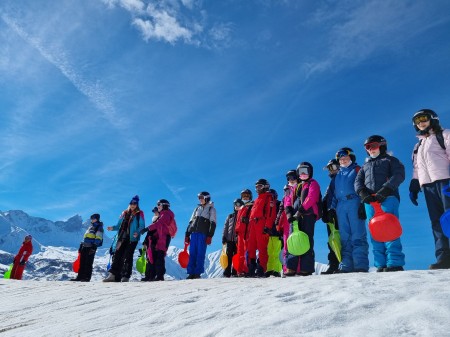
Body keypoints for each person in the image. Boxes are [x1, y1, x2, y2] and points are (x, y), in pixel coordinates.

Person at [355, 135, 406, 272]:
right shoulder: (365, 166)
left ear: (382, 145)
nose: (371, 149)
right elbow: (358, 182)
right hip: (370, 202)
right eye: (368, 147)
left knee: (390, 229)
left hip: (387, 198)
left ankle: (394, 262)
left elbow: (399, 175)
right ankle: (380, 263)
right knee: (375, 231)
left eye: (374, 146)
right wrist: (362, 193)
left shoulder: (390, 160)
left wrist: (387, 189)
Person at [409, 109, 450, 269]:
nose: (421, 123)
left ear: (433, 119)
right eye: (417, 121)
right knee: (437, 221)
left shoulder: (444, 135)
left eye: (423, 119)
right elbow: (417, 167)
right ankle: (444, 257)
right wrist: (414, 184)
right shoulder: (418, 145)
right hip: (428, 186)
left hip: (445, 181)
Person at [331, 149, 369, 273]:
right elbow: (334, 193)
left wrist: (363, 203)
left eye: (345, 158)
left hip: (354, 202)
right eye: (340, 159)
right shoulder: (338, 175)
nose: (343, 160)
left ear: (351, 157)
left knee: (357, 234)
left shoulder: (357, 169)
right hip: (341, 205)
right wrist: (332, 208)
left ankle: (360, 265)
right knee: (345, 236)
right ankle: (346, 265)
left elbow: (363, 186)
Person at [285, 162, 321, 276]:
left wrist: (300, 210)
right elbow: (288, 200)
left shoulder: (313, 183)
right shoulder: (297, 187)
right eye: (301, 171)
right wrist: (289, 214)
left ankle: (306, 268)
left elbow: (312, 197)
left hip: (307, 215)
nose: (303, 174)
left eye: (306, 171)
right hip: (295, 217)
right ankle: (291, 267)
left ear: (310, 172)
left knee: (306, 239)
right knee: (293, 240)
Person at [104, 195, 145, 282]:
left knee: (128, 256)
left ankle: (126, 275)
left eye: (135, 203)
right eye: (131, 203)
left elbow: (142, 226)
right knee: (117, 255)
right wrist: (112, 228)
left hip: (132, 238)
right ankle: (114, 275)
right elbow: (118, 226)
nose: (133, 205)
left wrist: (137, 232)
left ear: (137, 204)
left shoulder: (139, 213)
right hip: (121, 237)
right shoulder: (124, 213)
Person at [247, 179, 276, 277]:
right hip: (253, 224)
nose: (257, 188)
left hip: (261, 223)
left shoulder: (269, 197)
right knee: (251, 246)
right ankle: (251, 267)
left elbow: (271, 213)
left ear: (265, 186)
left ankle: (261, 268)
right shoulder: (257, 199)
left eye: (259, 186)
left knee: (261, 247)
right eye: (256, 187)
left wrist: (267, 226)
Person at [140, 199, 174, 281]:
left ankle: (159, 276)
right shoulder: (163, 214)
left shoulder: (166, 214)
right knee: (154, 257)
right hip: (160, 238)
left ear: (163, 205)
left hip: (163, 238)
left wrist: (147, 228)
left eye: (159, 205)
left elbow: (158, 224)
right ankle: (152, 275)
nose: (158, 206)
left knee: (159, 256)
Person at [185, 191, 217, 279]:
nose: (200, 199)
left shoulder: (211, 209)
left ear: (207, 198)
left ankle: (197, 273)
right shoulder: (197, 209)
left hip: (203, 234)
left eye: (202, 198)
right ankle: (191, 272)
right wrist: (187, 235)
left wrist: (210, 236)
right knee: (192, 253)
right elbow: (191, 222)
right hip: (194, 234)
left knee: (200, 253)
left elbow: (213, 223)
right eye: (199, 198)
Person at [321, 158, 341, 274]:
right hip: (330, 215)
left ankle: (341, 263)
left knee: (340, 239)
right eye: (329, 168)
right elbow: (326, 198)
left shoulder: (340, 179)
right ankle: (333, 264)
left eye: (333, 167)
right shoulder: (332, 182)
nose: (331, 171)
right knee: (331, 240)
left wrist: (334, 210)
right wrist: (324, 211)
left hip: (338, 213)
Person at [71, 214, 104, 282]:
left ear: (97, 219)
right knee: (82, 262)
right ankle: (80, 277)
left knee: (88, 262)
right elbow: (86, 237)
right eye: (91, 218)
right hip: (85, 246)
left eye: (94, 218)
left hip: (91, 247)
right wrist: (81, 245)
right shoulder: (90, 227)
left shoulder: (99, 227)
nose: (92, 219)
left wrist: (94, 246)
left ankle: (86, 277)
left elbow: (98, 237)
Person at [234, 189, 254, 276]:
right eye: (243, 196)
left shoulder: (251, 205)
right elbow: (238, 220)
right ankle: (240, 270)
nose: (245, 197)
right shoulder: (240, 207)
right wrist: (236, 232)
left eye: (247, 196)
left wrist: (248, 220)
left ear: (250, 196)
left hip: (247, 231)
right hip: (240, 232)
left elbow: (253, 216)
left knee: (247, 251)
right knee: (240, 252)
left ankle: (247, 270)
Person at [221, 199, 242, 277]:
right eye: (236, 205)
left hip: (237, 241)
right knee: (228, 256)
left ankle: (235, 271)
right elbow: (225, 227)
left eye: (239, 205)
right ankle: (227, 272)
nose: (237, 207)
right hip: (229, 240)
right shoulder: (230, 216)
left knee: (236, 256)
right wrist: (224, 236)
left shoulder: (241, 215)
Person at [266, 188, 282, 277]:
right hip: (268, 233)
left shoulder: (279, 204)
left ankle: (277, 270)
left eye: (272, 196)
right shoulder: (266, 206)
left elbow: (281, 217)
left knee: (276, 252)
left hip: (276, 233)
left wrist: (281, 230)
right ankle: (269, 269)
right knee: (269, 252)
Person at [140, 206, 159, 281]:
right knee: (149, 259)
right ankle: (148, 275)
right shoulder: (154, 222)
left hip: (155, 243)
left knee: (153, 259)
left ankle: (152, 276)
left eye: (156, 211)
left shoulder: (159, 222)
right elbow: (149, 234)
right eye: (154, 211)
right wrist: (145, 242)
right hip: (150, 243)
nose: (154, 213)